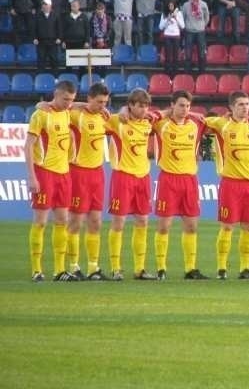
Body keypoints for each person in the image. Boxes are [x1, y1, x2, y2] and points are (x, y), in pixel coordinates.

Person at [152, 91, 209, 280]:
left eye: (188, 106)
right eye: (181, 105)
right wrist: (165, 112)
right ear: (172, 105)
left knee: (191, 226)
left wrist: (193, 115)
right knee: (164, 226)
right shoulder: (161, 125)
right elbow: (146, 115)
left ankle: (190, 269)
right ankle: (161, 268)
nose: (185, 109)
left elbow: (222, 120)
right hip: (169, 179)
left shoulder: (196, 125)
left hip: (190, 180)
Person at [205, 91, 249, 280]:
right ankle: (222, 268)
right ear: (231, 107)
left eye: (247, 104)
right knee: (228, 227)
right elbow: (197, 119)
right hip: (230, 183)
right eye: (240, 104)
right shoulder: (222, 124)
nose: (245, 107)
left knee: (248, 227)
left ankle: (245, 268)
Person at [25, 80, 78, 282]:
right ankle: (37, 270)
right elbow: (28, 146)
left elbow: (83, 105)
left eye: (71, 100)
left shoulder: (67, 112)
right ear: (56, 94)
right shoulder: (41, 114)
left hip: (64, 174)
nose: (68, 103)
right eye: (65, 99)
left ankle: (59, 270)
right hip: (44, 172)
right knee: (40, 221)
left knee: (62, 220)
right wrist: (31, 176)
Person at [106, 89, 156, 281]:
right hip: (123, 176)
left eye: (146, 106)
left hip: (143, 177)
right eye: (140, 106)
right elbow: (96, 113)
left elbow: (166, 113)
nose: (144, 109)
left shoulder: (148, 122)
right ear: (131, 105)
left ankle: (140, 269)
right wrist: (122, 110)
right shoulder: (117, 122)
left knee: (142, 221)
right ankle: (115, 268)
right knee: (119, 222)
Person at [66, 83, 111, 280]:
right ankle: (73, 266)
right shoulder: (76, 115)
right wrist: (82, 104)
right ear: (90, 98)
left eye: (105, 102)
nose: (102, 106)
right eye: (99, 102)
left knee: (95, 221)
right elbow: (60, 106)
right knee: (76, 220)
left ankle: (93, 267)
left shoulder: (104, 117)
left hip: (97, 173)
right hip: (78, 172)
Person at [182, 0, 210, 72]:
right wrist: (187, 26)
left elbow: (207, 17)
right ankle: (187, 73)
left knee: (202, 54)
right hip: (189, 31)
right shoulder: (186, 5)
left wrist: (202, 25)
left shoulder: (203, 4)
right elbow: (183, 17)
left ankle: (202, 73)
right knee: (188, 54)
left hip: (200, 32)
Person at [158, 0, 185, 74]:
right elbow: (160, 27)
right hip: (167, 37)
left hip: (176, 36)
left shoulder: (179, 13)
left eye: (172, 5)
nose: (171, 7)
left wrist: (176, 18)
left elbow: (182, 26)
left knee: (176, 56)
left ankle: (175, 72)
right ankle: (167, 72)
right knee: (168, 56)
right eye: (169, 6)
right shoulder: (164, 14)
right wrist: (167, 19)